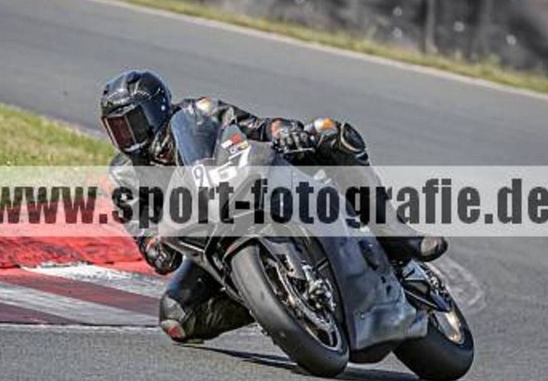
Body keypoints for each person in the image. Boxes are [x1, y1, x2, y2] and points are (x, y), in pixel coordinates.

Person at [101, 70, 446, 342]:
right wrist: (154, 243)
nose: (127, 136)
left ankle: (394, 232)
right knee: (176, 317)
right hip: (207, 241)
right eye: (117, 129)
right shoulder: (125, 175)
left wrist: (283, 131)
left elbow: (255, 126)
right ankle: (271, 301)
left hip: (250, 189)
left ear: (157, 110)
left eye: (132, 123)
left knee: (330, 133)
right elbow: (150, 242)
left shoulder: (198, 113)